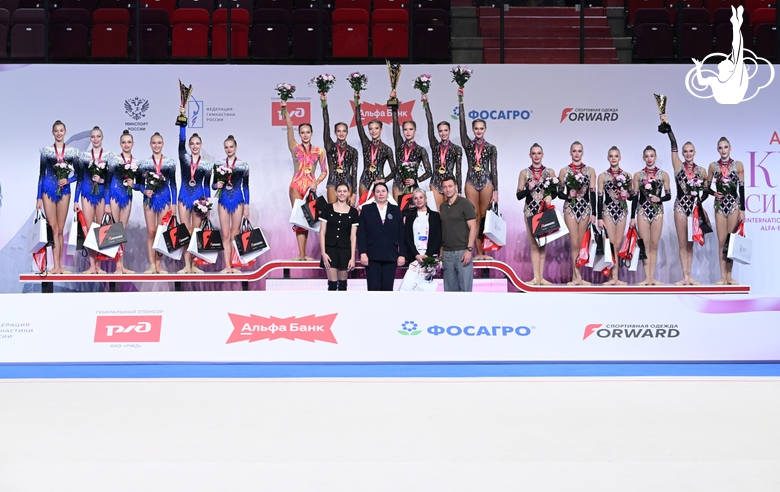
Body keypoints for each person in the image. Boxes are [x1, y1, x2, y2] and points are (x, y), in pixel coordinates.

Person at [661, 117, 709, 286]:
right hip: (680, 208)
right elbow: (672, 144)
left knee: (691, 243)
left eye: (691, 151)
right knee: (682, 243)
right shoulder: (678, 166)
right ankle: (685, 276)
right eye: (685, 151)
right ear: (682, 153)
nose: (688, 154)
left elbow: (706, 192)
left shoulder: (702, 170)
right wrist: (668, 128)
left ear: (695, 152)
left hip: (694, 209)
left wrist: (699, 201)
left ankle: (691, 275)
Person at [283, 100, 327, 261]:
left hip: (310, 187)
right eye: (302, 132)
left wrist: (316, 182)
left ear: (312, 133)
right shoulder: (295, 147)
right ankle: (300, 254)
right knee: (299, 219)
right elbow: (289, 127)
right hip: (296, 186)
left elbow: (325, 171)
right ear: (300, 134)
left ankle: (305, 254)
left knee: (308, 219)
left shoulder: (319, 151)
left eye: (308, 132)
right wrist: (284, 109)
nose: (305, 134)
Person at [458, 87, 497, 260]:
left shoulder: (491, 148)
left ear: (485, 129)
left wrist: (496, 190)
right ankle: (477, 252)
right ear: (473, 130)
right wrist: (461, 102)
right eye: (476, 128)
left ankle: (485, 253)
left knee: (484, 217)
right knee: (473, 217)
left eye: (481, 128)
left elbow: (494, 169)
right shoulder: (467, 144)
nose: (479, 131)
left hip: (487, 182)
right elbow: (461, 126)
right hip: (471, 182)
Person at [36, 120, 79, 275]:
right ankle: (55, 265)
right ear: (53, 133)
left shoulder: (72, 152)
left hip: (64, 190)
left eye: (61, 130)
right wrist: (38, 197)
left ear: (65, 132)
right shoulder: (46, 151)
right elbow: (41, 175)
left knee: (60, 229)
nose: (59, 133)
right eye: (56, 131)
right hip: (48, 190)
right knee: (53, 227)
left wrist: (68, 180)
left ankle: (61, 266)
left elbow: (78, 175)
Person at [630, 145, 671, 286]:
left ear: (656, 157)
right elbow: (635, 197)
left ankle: (652, 277)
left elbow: (669, 195)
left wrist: (659, 199)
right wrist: (632, 217)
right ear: (643, 158)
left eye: (651, 156)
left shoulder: (663, 174)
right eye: (646, 156)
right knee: (644, 243)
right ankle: (646, 277)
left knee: (654, 243)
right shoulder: (638, 175)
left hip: (657, 211)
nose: (649, 159)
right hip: (642, 211)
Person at [516, 143, 556, 286]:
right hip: (530, 212)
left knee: (543, 244)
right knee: (534, 245)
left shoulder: (550, 172)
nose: (536, 156)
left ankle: (542, 278)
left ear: (543, 155)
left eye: (539, 153)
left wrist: (550, 196)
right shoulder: (524, 173)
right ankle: (535, 277)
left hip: (544, 211)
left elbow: (555, 191)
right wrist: (528, 188)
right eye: (534, 153)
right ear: (530, 155)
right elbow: (519, 195)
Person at [558, 141, 597, 286]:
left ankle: (581, 276)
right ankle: (576, 276)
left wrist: (594, 213)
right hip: (570, 209)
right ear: (570, 153)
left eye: (579, 151)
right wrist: (569, 195)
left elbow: (593, 193)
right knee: (574, 242)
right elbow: (559, 193)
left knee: (582, 243)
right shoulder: (564, 171)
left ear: (583, 153)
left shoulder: (590, 170)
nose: (576, 153)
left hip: (585, 209)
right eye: (574, 151)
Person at [707, 136, 745, 285]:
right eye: (720, 148)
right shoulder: (713, 166)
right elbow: (706, 187)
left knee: (732, 240)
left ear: (730, 148)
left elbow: (741, 187)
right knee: (722, 241)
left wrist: (743, 209)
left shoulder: (738, 165)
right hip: (720, 206)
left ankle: (730, 275)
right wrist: (713, 193)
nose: (723, 150)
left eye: (725, 147)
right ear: (718, 150)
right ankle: (722, 276)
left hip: (734, 205)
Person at [176, 116, 212, 274]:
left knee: (196, 232)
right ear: (189, 146)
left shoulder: (206, 164)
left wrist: (208, 204)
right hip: (184, 196)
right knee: (185, 232)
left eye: (197, 143)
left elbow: (207, 185)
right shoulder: (184, 158)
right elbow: (181, 141)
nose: (195, 146)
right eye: (192, 144)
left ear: (201, 145)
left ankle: (195, 265)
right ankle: (186, 265)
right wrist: (182, 124)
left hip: (199, 198)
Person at [75, 126, 113, 274]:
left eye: (98, 136)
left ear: (102, 138)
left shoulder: (109, 157)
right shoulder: (84, 156)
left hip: (102, 194)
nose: (95, 139)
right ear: (90, 139)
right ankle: (92, 265)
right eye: (93, 137)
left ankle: (99, 265)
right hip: (86, 193)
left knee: (101, 230)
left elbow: (110, 182)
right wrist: (76, 200)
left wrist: (102, 181)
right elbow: (79, 179)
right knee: (90, 229)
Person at [138, 132, 177, 274]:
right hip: (149, 199)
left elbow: (173, 184)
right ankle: (151, 265)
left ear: (163, 144)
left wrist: (174, 203)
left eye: (159, 142)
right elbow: (139, 184)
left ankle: (159, 266)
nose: (156, 145)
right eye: (154, 142)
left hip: (165, 198)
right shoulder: (144, 163)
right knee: (151, 232)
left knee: (161, 233)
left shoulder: (170, 163)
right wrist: (144, 191)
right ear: (150, 145)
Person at [213, 135, 250, 274]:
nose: (228, 149)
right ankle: (227, 266)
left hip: (237, 200)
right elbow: (212, 185)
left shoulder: (243, 165)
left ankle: (234, 265)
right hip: (223, 199)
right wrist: (216, 185)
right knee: (226, 234)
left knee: (236, 233)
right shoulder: (218, 164)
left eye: (231, 147)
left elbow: (246, 187)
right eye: (226, 147)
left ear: (236, 147)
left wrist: (247, 205)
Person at [357, 182, 405, 291]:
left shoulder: (396, 209)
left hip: (390, 254)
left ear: (388, 193)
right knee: (373, 288)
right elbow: (361, 233)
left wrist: (402, 254)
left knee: (387, 288)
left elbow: (401, 234)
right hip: (372, 255)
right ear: (374, 194)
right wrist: (363, 253)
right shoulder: (366, 209)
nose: (381, 194)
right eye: (378, 191)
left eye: (383, 191)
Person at [597, 146, 632, 285]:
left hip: (622, 211)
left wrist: (627, 194)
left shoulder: (627, 175)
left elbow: (632, 196)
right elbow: (599, 197)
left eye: (616, 156)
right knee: (610, 243)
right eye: (611, 156)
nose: (613, 158)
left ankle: (616, 277)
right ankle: (612, 277)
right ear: (608, 158)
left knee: (618, 244)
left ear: (620, 158)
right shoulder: (603, 176)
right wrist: (599, 217)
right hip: (608, 211)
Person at [103, 130, 136, 274]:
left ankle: (122, 265)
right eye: (124, 142)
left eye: (129, 142)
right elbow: (107, 182)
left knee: (123, 230)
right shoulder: (114, 160)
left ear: (133, 144)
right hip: (114, 195)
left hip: (127, 197)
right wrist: (107, 203)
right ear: (120, 144)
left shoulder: (135, 163)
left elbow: (140, 184)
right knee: (116, 230)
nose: (126, 144)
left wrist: (134, 185)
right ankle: (117, 266)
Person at [390, 89, 432, 203]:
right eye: (405, 129)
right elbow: (395, 124)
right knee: (398, 213)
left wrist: (416, 180)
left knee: (411, 214)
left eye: (410, 129)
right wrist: (394, 103)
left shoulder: (420, 150)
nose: (408, 132)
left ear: (415, 130)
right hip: (398, 183)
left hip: (412, 185)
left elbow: (429, 171)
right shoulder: (399, 145)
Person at [354, 91, 396, 202]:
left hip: (379, 184)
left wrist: (384, 180)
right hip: (364, 181)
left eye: (376, 128)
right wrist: (357, 102)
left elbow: (394, 171)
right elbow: (358, 122)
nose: (373, 131)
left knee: (378, 213)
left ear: (381, 129)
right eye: (371, 129)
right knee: (363, 211)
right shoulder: (366, 144)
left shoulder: (387, 149)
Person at [423, 92, 462, 209]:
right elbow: (430, 124)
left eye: (445, 130)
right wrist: (426, 104)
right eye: (440, 131)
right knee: (437, 213)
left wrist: (458, 188)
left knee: (450, 214)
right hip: (435, 183)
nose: (443, 133)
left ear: (449, 131)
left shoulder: (456, 149)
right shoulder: (435, 146)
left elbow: (458, 171)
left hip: (449, 184)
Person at [439, 176, 477, 292]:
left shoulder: (465, 204)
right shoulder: (442, 206)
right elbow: (443, 229)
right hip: (447, 253)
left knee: (465, 289)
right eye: (445, 187)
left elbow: (473, 228)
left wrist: (469, 250)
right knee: (449, 291)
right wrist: (441, 250)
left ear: (456, 187)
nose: (447, 189)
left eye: (450, 186)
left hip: (462, 252)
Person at [319, 183, 359, 291]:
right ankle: (331, 307)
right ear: (336, 193)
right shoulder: (327, 209)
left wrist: (352, 257)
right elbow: (322, 232)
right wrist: (323, 253)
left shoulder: (354, 212)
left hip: (345, 251)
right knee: (332, 285)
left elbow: (353, 236)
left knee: (343, 285)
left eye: (344, 191)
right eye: (340, 191)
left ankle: (342, 307)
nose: (342, 194)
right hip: (330, 250)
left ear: (348, 193)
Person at [321, 94, 358, 206]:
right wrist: (324, 105)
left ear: (347, 132)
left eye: (343, 131)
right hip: (333, 182)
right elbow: (326, 124)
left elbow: (354, 173)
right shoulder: (330, 147)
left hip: (348, 182)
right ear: (335, 133)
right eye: (338, 131)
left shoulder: (353, 151)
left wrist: (354, 193)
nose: (341, 133)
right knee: (332, 213)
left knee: (347, 215)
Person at [404, 188, 442, 265]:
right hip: (414, 256)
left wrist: (428, 255)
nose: (418, 200)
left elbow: (438, 237)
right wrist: (416, 255)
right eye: (415, 198)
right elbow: (407, 237)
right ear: (413, 201)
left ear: (426, 199)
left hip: (430, 256)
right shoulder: (409, 216)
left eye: (421, 197)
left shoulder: (435, 216)